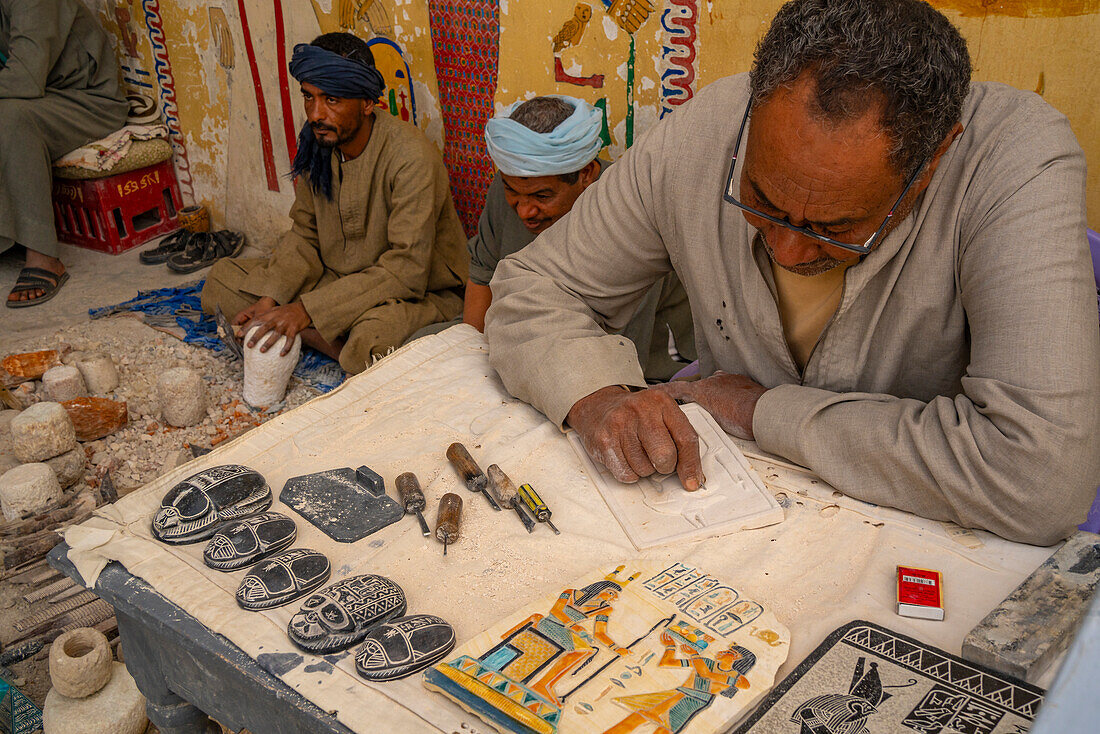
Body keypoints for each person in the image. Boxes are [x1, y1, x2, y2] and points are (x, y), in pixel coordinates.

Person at [485, 0, 1100, 545]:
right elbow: (536, 287)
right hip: (728, 518)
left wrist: (765, 412)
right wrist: (594, 398)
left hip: (925, 534)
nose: (787, 251)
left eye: (834, 227)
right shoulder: (707, 130)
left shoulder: (1014, 161)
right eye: (761, 201)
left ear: (935, 159)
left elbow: (1040, 476)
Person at [201, 32, 467, 374]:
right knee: (221, 281)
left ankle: (313, 335)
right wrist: (272, 297)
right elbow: (305, 234)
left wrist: (304, 311)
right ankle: (320, 334)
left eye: (332, 100)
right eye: (309, 98)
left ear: (368, 103)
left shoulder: (410, 158)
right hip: (334, 280)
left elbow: (406, 270)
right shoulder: (320, 142)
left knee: (371, 343)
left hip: (412, 291)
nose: (316, 114)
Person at [464, 95, 695, 381]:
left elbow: (622, 350)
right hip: (517, 339)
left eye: (542, 196)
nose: (525, 210)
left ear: (585, 173)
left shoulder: (630, 211)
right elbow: (482, 277)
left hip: (630, 361)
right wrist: (470, 364)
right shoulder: (508, 189)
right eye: (513, 191)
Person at [1, 0, 128, 307]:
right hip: (42, 95)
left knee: (10, 118)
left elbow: (24, 80)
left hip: (87, 101)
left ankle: (43, 256)